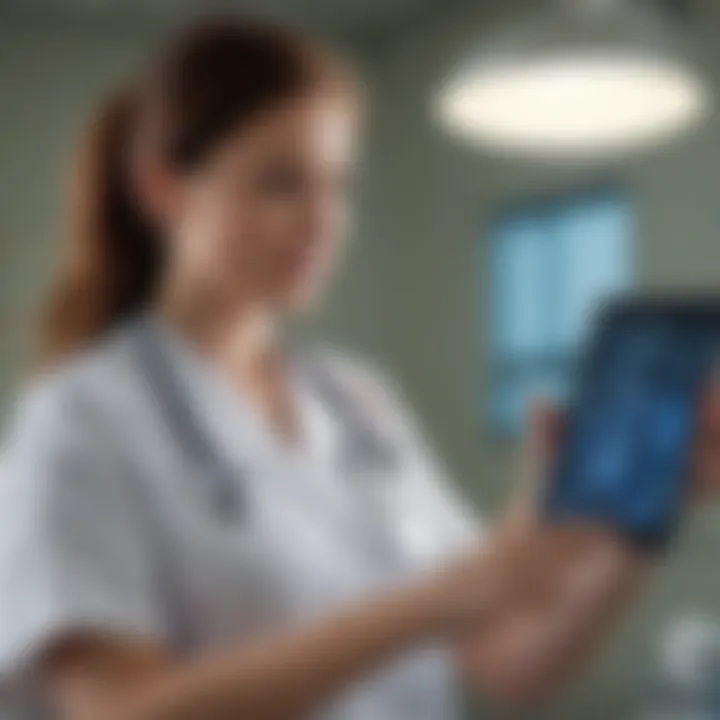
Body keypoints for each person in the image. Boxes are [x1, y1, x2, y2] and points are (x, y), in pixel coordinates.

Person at [0, 16, 719, 720]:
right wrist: (432, 602)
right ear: (163, 189)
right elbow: (117, 708)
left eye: (336, 186)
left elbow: (511, 666)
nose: (323, 220)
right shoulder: (80, 421)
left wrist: (648, 513)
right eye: (281, 183)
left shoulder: (356, 400)